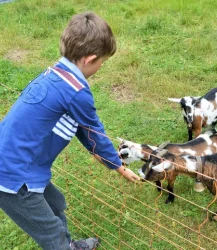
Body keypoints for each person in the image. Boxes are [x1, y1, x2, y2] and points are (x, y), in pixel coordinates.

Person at [0, 11, 140, 250]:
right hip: (14, 177)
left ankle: (70, 246)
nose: (100, 67)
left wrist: (110, 161)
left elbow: (82, 131)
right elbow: (93, 132)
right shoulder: (76, 90)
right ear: (90, 59)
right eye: (102, 63)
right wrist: (118, 166)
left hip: (19, 163)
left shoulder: (53, 75)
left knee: (55, 204)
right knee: (52, 234)